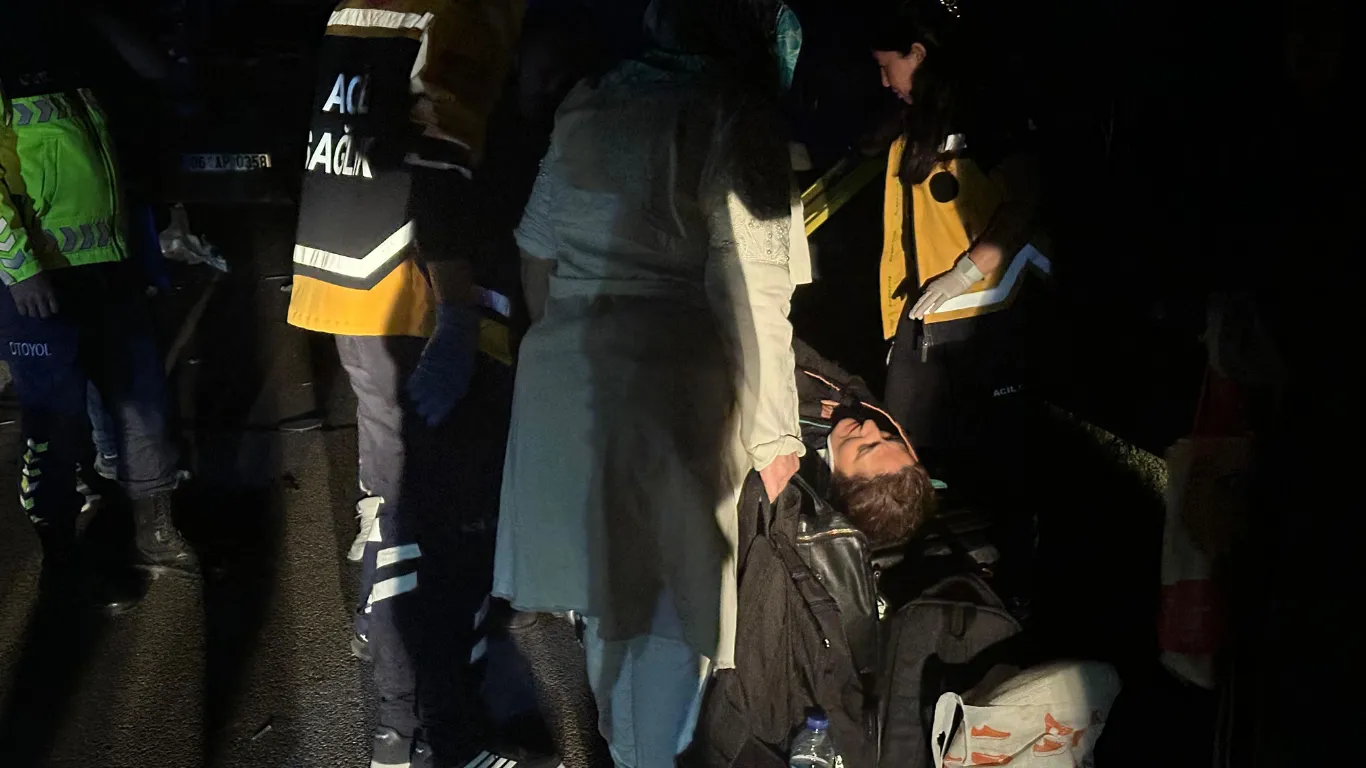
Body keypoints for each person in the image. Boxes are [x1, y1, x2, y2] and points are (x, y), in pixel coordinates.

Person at [494, 1, 807, 765]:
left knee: (605, 608)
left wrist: (568, 340)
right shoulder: (735, 113)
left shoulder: (593, 99)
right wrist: (775, 436)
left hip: (564, 380)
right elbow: (753, 285)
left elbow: (536, 250)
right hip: (668, 386)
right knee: (669, 624)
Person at [287, 1, 524, 766]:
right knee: (441, 526)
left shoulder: (359, 5)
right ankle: (437, 736)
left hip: (352, 281)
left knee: (395, 507)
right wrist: (456, 312)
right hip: (413, 297)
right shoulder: (460, 9)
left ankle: (401, 728)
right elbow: (440, 161)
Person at [1, 3, 199, 615]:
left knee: (141, 399)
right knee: (56, 424)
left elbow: (149, 79)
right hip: (40, 279)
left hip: (108, 264)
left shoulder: (67, 36)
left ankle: (153, 528)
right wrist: (20, 268)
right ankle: (62, 561)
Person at [869, 0, 1051, 476]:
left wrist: (964, 273)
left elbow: (1024, 201)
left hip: (987, 315)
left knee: (987, 458)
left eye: (887, 67)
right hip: (931, 312)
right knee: (915, 450)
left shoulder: (985, 113)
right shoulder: (919, 122)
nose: (884, 81)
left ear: (917, 54)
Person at [793, 338, 935, 548]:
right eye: (889, 438)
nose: (871, 426)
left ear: (835, 485)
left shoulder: (782, 446)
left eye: (866, 448)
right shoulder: (865, 417)